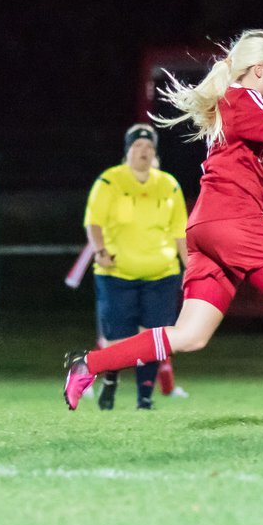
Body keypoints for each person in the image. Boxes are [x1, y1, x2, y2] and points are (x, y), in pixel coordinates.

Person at [63, 29, 263, 432]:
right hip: (235, 221)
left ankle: (88, 365)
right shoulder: (246, 101)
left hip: (207, 226)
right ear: (258, 70)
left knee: (190, 335)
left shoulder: (243, 106)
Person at [85, 123, 190, 410]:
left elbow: (180, 230)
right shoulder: (109, 182)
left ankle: (145, 397)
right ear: (128, 151)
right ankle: (110, 382)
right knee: (118, 339)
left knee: (154, 337)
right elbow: (94, 222)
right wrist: (101, 251)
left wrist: (189, 267)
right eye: (138, 146)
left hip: (161, 274)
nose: (143, 152)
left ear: (155, 152)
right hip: (117, 274)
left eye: (149, 147)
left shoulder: (168, 184)